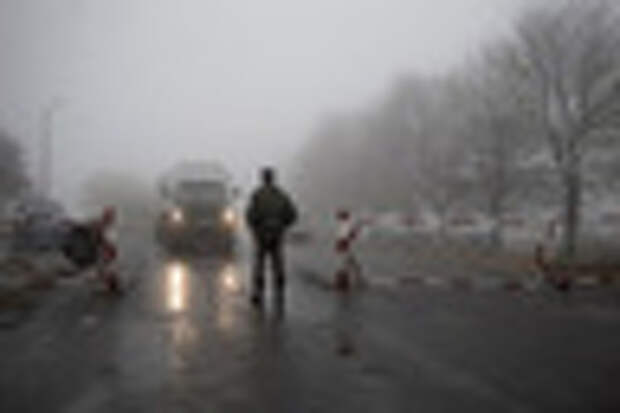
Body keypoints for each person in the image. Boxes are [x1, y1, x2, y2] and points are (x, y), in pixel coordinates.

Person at [245, 167, 298, 306]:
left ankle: (258, 292)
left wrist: (255, 228)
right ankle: (279, 291)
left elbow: (250, 215)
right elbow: (292, 214)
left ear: (263, 178)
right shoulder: (281, 195)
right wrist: (282, 225)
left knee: (260, 263)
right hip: (277, 233)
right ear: (273, 178)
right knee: (277, 263)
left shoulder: (257, 195)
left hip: (262, 234)